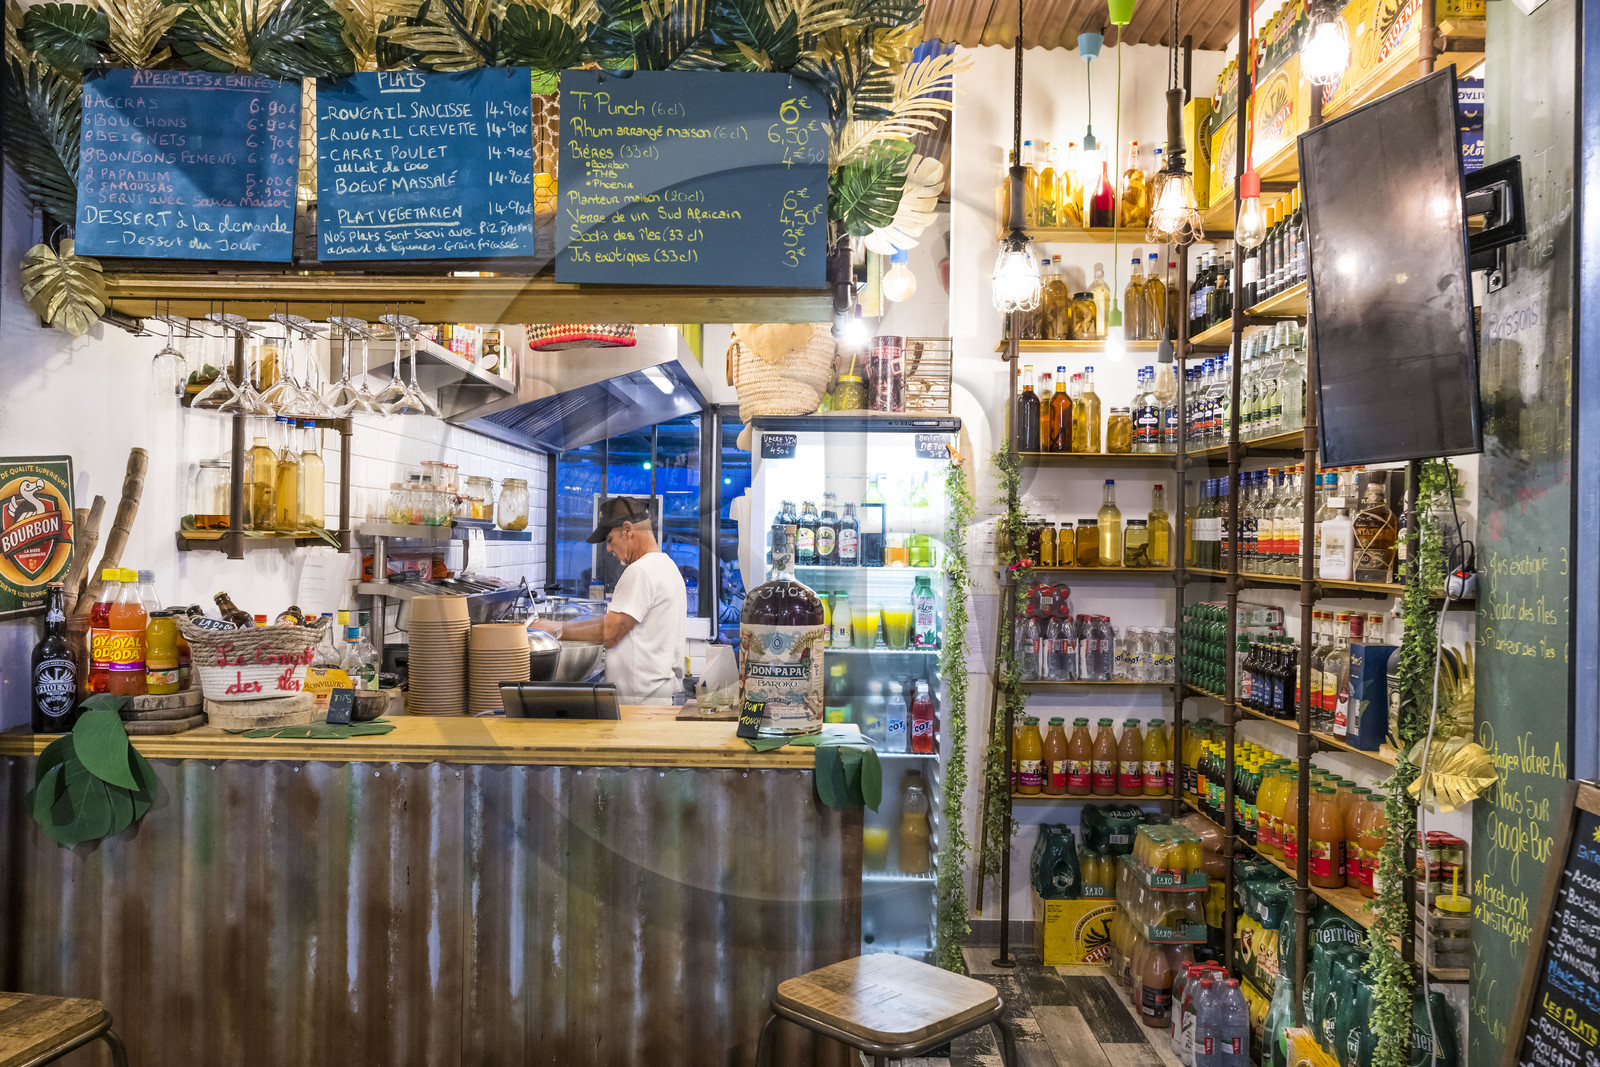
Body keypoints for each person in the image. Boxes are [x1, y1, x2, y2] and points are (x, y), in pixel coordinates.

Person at [532, 496, 685, 703]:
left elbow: (612, 632)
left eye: (610, 539)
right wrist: (557, 626)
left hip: (642, 707)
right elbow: (614, 622)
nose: (608, 549)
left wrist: (555, 630)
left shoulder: (641, 571)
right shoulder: (666, 566)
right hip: (658, 697)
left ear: (628, 530)